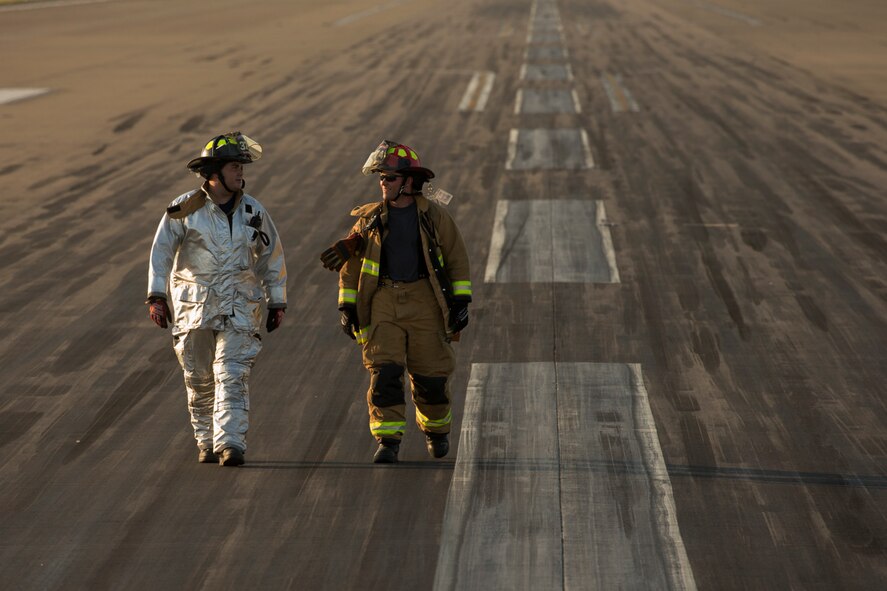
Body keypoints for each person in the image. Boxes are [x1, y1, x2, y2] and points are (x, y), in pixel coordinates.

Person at [323, 140, 472, 463]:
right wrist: (346, 306)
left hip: (425, 303)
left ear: (408, 181)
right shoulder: (368, 220)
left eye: (388, 178)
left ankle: (436, 431)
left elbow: (457, 259)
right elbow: (350, 270)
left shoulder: (434, 216)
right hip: (384, 302)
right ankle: (388, 440)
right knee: (384, 372)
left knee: (431, 377)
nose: (382, 183)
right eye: (380, 178)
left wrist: (461, 301)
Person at [146, 132, 287, 467]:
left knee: (231, 373)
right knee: (199, 379)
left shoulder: (254, 211)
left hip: (241, 308)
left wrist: (277, 300)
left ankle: (231, 443)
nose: (241, 173)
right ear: (214, 172)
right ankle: (207, 441)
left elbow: (271, 255)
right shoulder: (184, 210)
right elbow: (161, 253)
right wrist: (156, 296)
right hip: (194, 310)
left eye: (241, 167)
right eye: (235, 167)